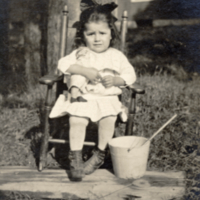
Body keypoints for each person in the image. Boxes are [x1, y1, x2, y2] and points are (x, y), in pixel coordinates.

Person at [49, 2, 136, 181]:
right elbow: (62, 64)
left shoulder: (116, 56)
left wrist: (117, 80)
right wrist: (83, 70)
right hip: (84, 98)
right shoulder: (81, 53)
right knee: (77, 120)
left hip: (107, 98)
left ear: (111, 34)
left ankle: (99, 153)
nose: (97, 39)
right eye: (91, 34)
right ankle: (76, 157)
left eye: (102, 33)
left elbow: (130, 74)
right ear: (84, 35)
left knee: (109, 119)